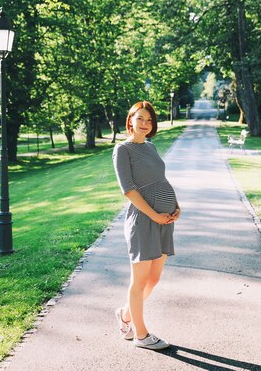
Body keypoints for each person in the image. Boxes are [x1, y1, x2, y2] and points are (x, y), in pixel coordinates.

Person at [112, 101, 181, 350]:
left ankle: (125, 314)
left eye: (149, 120)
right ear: (130, 120)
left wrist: (176, 206)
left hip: (164, 220)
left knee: (154, 278)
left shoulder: (151, 147)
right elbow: (128, 190)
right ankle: (140, 335)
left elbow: (161, 180)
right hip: (143, 220)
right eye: (139, 118)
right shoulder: (123, 150)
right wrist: (154, 214)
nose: (144, 124)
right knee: (139, 280)